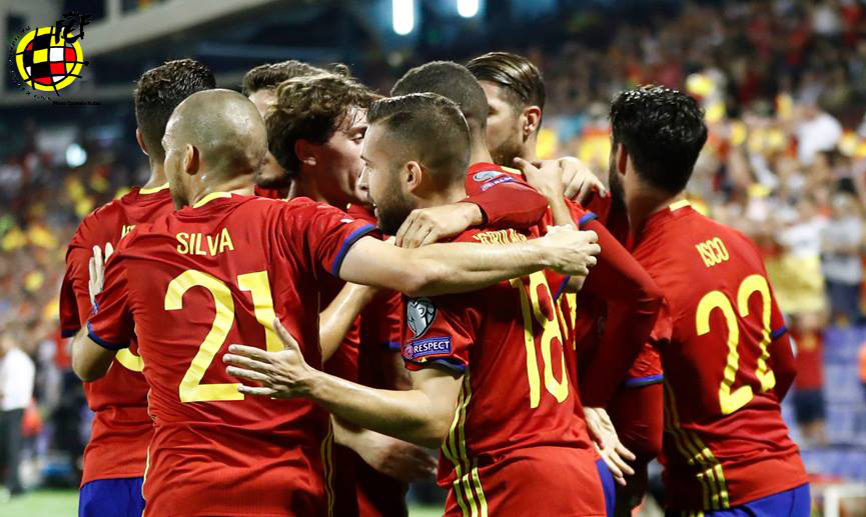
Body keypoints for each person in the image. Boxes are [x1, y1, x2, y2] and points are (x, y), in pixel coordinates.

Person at [70, 89, 600, 516]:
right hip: (290, 487)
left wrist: (104, 310)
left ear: (186, 158)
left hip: (181, 491)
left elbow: (85, 362)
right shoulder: (298, 222)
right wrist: (546, 248)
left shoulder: (137, 248)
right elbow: (420, 271)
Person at [224, 92, 607, 517]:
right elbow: (573, 271)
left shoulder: (443, 268)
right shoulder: (525, 239)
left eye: (371, 165)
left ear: (410, 175)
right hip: (576, 473)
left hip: (505, 483)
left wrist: (311, 383)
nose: (365, 182)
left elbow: (433, 418)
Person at [392, 59, 666, 515]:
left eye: (487, 110)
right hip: (570, 452)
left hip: (521, 460)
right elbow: (591, 280)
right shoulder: (545, 197)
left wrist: (591, 395)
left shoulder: (438, 208)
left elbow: (641, 295)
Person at [607, 85, 809, 516]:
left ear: (621, 158)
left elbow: (643, 423)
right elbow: (784, 364)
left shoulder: (644, 276)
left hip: (722, 490)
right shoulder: (738, 243)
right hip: (789, 479)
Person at [58, 58, 215, 517]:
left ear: (142, 140)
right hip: (214, 458)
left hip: (114, 467)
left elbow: (84, 353)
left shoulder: (94, 232)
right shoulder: (252, 217)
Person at [0, 326, 35, 499]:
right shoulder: (21, 359)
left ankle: (13, 485)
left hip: (12, 407)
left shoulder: (14, 359)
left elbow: (9, 387)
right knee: (11, 447)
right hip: (16, 406)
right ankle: (14, 484)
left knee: (12, 447)